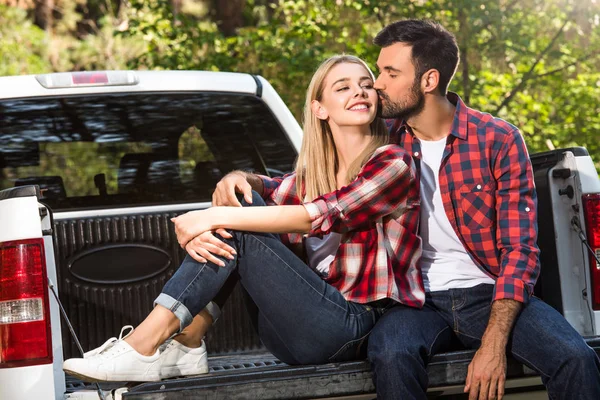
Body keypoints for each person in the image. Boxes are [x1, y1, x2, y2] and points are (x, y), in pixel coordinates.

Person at [212, 20, 600, 400]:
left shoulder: (495, 139)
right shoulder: (382, 138)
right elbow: (316, 184)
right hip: (413, 300)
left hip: (488, 293)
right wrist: (250, 180)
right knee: (391, 353)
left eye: (388, 73)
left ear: (428, 81)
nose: (376, 84)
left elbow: (521, 251)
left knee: (576, 359)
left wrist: (493, 345)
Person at [62, 54, 423, 383]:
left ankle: (147, 342)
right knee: (243, 204)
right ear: (319, 108)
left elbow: (321, 215)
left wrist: (211, 219)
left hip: (354, 325)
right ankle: (187, 341)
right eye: (342, 87)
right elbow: (266, 188)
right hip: (290, 333)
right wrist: (236, 179)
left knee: (242, 222)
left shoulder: (392, 163)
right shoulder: (313, 178)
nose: (359, 93)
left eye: (365, 85)